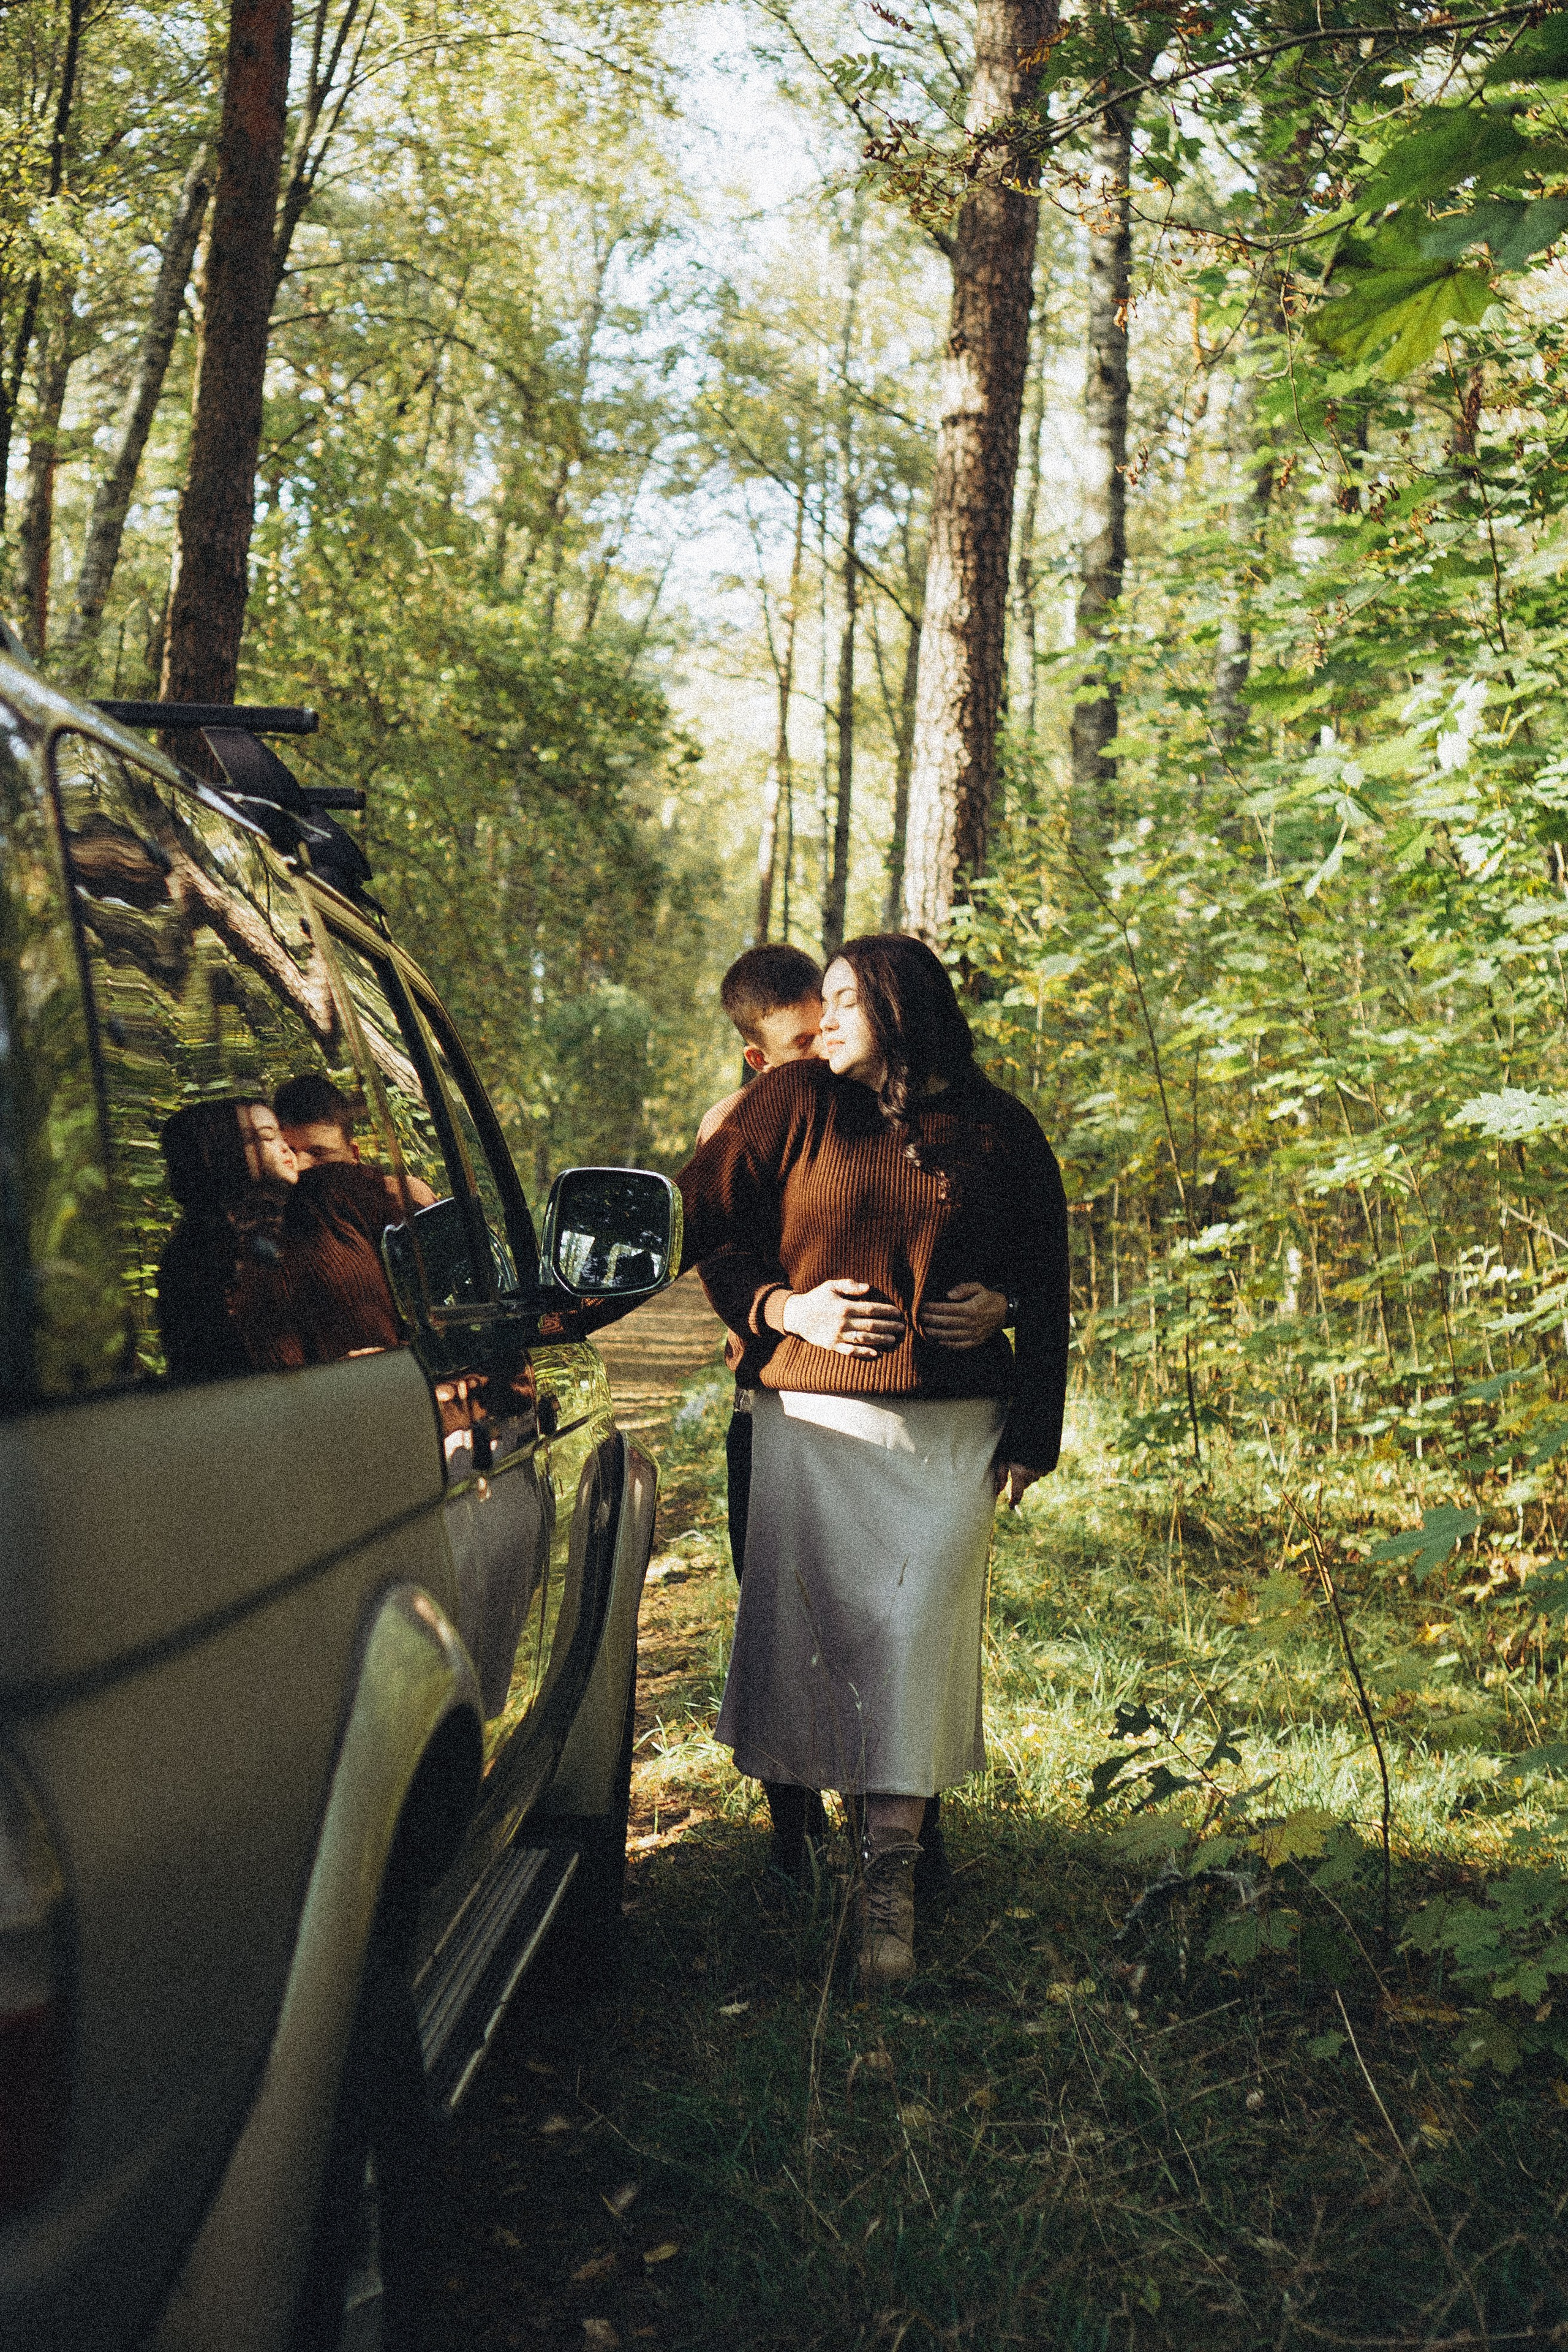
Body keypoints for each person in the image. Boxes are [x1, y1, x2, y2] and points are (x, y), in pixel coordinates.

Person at [679, 935, 1069, 1985]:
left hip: (952, 1435)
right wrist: (780, 1304)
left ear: (903, 1011)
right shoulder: (796, 1101)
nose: (826, 1019)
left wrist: (1019, 1342)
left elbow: (1050, 1274)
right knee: (820, 1646)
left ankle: (887, 1898)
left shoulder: (997, 1128)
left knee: (910, 1645)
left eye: (848, 1001)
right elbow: (704, 1224)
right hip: (813, 1428)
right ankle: (804, 1844)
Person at [274, 1071, 437, 1205]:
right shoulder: (276, 1219)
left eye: (319, 1154)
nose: (300, 1166)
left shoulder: (402, 1196)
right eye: (291, 1151)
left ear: (354, 1155)